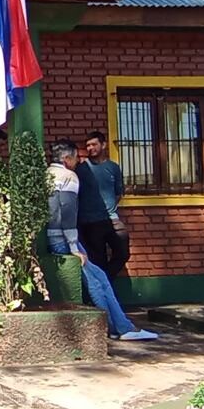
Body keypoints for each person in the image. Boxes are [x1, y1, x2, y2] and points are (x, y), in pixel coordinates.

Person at [47, 139, 157, 342]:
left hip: (53, 237)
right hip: (64, 240)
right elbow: (68, 211)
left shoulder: (46, 175)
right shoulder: (68, 176)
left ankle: (120, 326)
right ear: (66, 158)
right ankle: (120, 328)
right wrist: (73, 246)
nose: (76, 162)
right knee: (98, 282)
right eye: (74, 158)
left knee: (99, 279)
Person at [77, 131, 131, 286]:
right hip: (90, 222)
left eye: (94, 144)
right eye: (88, 145)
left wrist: (109, 207)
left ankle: (104, 281)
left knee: (123, 253)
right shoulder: (82, 169)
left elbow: (118, 192)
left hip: (112, 219)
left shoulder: (113, 167)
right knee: (98, 259)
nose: (90, 148)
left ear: (103, 145)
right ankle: (102, 292)